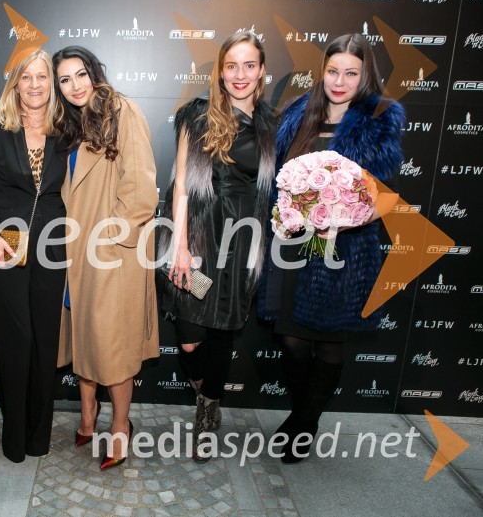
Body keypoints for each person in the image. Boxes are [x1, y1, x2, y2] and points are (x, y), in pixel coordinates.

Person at [258, 33, 404, 463]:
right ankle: (304, 413)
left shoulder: (379, 119)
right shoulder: (298, 113)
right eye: (333, 71)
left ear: (365, 76)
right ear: (322, 72)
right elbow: (280, 181)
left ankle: (304, 424)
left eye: (351, 73)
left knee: (328, 342)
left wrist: (342, 220)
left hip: (345, 250)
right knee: (291, 340)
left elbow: (386, 196)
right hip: (292, 245)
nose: (339, 81)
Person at [157, 31, 277, 462]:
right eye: (231, 66)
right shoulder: (197, 115)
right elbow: (183, 187)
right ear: (220, 71)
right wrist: (182, 246)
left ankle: (207, 414)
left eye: (249, 65)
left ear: (262, 71)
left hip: (241, 242)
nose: (239, 75)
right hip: (201, 239)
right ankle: (206, 394)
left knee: (223, 335)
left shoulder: (270, 124)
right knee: (189, 339)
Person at [52, 46, 159, 470]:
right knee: (84, 334)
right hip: (74, 251)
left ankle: (119, 424)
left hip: (110, 252)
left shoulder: (121, 110)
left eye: (81, 74)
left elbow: (140, 187)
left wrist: (110, 240)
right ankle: (87, 414)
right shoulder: (68, 125)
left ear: (95, 73)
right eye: (65, 79)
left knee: (111, 344)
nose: (75, 85)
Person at [0, 49, 68, 463]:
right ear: (14, 84)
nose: (34, 85)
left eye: (42, 77)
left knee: (44, 342)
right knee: (15, 341)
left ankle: (38, 436)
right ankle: (13, 436)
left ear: (52, 83)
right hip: (6, 244)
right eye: (25, 77)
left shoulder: (67, 130)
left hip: (51, 245)